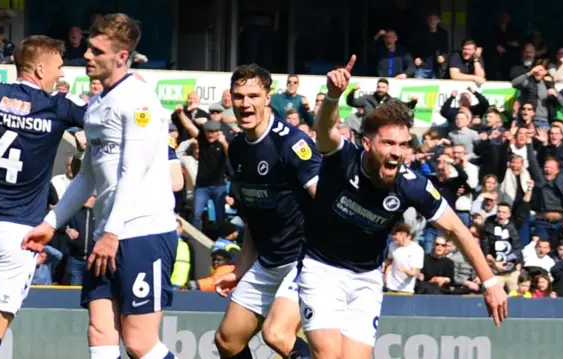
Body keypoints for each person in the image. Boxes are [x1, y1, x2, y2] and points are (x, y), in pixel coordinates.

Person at [297, 55, 508, 359]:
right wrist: (332, 96)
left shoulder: (412, 185)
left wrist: (489, 282)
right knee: (329, 355)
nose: (397, 153)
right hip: (321, 269)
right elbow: (325, 130)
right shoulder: (342, 158)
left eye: (403, 144)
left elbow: (457, 230)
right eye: (388, 144)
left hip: (366, 279)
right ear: (368, 144)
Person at [22, 13, 178, 359]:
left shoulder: (138, 99)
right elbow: (88, 177)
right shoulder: (96, 104)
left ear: (121, 56)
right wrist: (50, 225)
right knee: (100, 330)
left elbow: (133, 172)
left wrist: (112, 233)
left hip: (142, 233)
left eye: (96, 50)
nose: (87, 56)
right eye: (88, 48)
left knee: (139, 343)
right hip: (107, 235)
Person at [0, 27, 86, 359]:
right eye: (57, 68)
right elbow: (103, 120)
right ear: (39, 69)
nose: (60, 74)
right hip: (18, 230)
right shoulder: (58, 107)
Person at [213, 64, 320, 359]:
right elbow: (253, 220)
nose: (245, 104)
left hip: (306, 258)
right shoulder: (236, 149)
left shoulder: (291, 143)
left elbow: (326, 204)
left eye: (253, 95)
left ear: (268, 97)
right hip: (269, 260)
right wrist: (239, 271)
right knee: (227, 340)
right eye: (238, 96)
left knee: (276, 334)